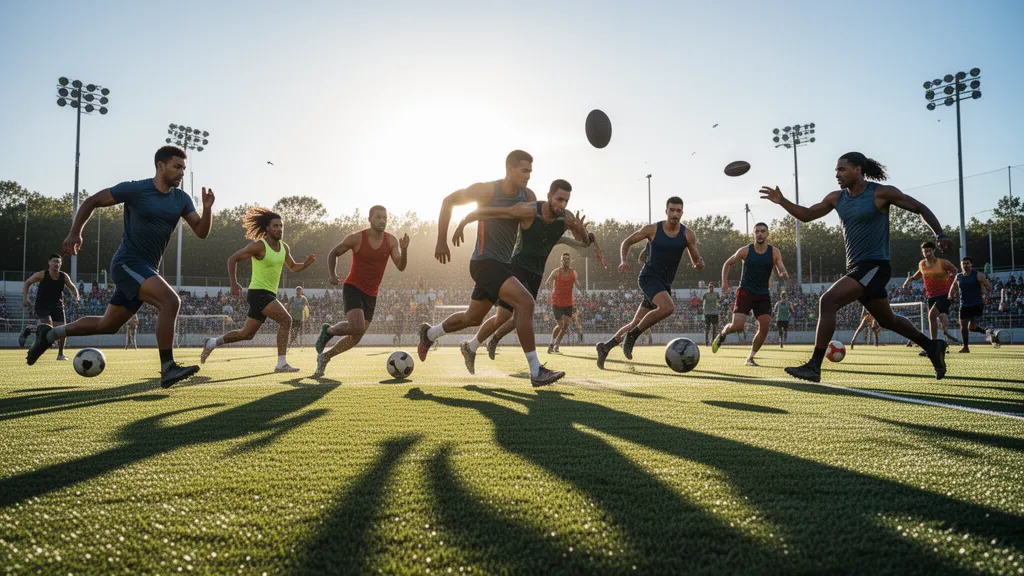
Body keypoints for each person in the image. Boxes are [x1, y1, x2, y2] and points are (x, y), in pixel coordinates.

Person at [25, 146, 215, 388]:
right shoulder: (136, 189)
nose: (181, 173)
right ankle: (168, 367)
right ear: (160, 166)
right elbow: (92, 200)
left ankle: (49, 334)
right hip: (128, 262)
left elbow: (201, 231)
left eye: (184, 169)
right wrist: (75, 233)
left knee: (109, 324)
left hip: (145, 268)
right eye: (177, 167)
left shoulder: (181, 199)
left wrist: (208, 210)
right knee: (171, 301)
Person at [760, 152, 951, 382]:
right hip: (857, 268)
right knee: (887, 320)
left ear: (858, 169)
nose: (837, 175)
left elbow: (919, 207)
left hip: (875, 266)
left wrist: (939, 233)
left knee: (827, 301)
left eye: (842, 169)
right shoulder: (836, 198)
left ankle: (814, 366)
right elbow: (808, 215)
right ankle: (932, 346)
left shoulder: (880, 193)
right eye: (836, 171)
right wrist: (782, 201)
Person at [419, 150, 564, 386]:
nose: (528, 175)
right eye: (524, 170)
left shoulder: (528, 195)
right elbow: (449, 201)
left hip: (503, 265)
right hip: (484, 262)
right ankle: (536, 371)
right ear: (509, 168)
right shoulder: (486, 190)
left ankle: (430, 334)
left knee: (473, 317)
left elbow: (538, 222)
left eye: (530, 171)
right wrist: (441, 240)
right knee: (525, 303)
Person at [449, 178, 592, 374]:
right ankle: (533, 368)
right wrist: (466, 220)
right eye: (559, 199)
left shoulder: (565, 218)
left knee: (512, 318)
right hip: (516, 267)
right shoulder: (530, 210)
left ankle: (473, 346)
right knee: (508, 314)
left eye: (566, 201)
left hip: (536, 273)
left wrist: (580, 228)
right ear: (549, 196)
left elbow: (584, 240)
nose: (562, 204)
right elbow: (498, 212)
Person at [200, 207, 315, 371]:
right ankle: (281, 363)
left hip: (268, 294)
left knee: (246, 334)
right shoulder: (259, 246)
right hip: (258, 293)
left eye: (281, 226)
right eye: (275, 226)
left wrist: (305, 265)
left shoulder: (284, 248)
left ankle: (212, 342)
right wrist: (234, 283)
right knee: (286, 320)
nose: (279, 229)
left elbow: (293, 267)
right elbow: (232, 259)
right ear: (267, 228)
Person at [597, 196, 705, 369]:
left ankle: (605, 347)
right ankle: (632, 336)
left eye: (678, 210)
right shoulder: (653, 229)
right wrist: (624, 260)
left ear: (682, 212)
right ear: (666, 211)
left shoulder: (688, 234)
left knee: (636, 322)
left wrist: (699, 264)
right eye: (672, 210)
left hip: (664, 284)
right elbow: (627, 241)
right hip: (648, 277)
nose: (675, 214)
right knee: (668, 308)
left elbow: (696, 262)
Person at [313, 205, 409, 377]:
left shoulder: (391, 241)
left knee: (356, 336)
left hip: (372, 294)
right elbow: (333, 253)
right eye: (378, 217)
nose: (382, 221)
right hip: (353, 287)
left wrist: (405, 249)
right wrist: (333, 274)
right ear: (370, 219)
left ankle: (325, 357)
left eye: (385, 218)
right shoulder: (357, 238)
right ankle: (328, 331)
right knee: (356, 327)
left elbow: (400, 266)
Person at [712, 222, 788, 366]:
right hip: (745, 293)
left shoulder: (774, 252)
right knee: (737, 327)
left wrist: (784, 274)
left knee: (764, 327)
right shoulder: (746, 250)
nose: (760, 234)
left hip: (763, 294)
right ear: (753, 234)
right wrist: (724, 282)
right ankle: (723, 334)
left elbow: (781, 269)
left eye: (763, 231)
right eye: (757, 231)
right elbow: (727, 263)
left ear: (767, 234)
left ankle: (750, 358)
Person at [903, 240, 960, 355]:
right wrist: (910, 279)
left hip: (944, 294)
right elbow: (920, 273)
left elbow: (955, 270)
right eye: (925, 250)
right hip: (931, 296)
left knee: (932, 314)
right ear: (922, 252)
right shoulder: (922, 264)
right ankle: (936, 343)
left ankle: (935, 343)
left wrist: (952, 281)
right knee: (937, 317)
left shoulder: (943, 263)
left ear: (934, 250)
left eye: (929, 250)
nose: (927, 252)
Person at [19, 253, 80, 360]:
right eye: (54, 261)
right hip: (42, 304)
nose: (56, 264)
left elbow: (72, 287)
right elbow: (27, 283)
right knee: (47, 326)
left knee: (62, 330)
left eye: (58, 262)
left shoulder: (64, 276)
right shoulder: (42, 274)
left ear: (61, 264)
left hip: (57, 305)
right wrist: (25, 298)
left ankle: (60, 354)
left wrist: (76, 295)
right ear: (49, 262)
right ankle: (30, 333)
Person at [948, 256, 993, 353]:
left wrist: (986, 295)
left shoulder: (977, 275)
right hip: (964, 305)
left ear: (971, 265)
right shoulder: (958, 276)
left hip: (977, 304)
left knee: (966, 326)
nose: (965, 265)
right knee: (969, 328)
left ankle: (965, 347)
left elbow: (988, 287)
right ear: (961, 265)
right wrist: (950, 295)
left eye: (967, 263)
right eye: (963, 263)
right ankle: (986, 332)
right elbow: (953, 286)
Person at [547, 252, 583, 353]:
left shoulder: (573, 273)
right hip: (557, 302)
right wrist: (548, 285)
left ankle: (557, 345)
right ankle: (551, 343)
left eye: (567, 259)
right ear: (561, 261)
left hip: (568, 303)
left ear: (570, 261)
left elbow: (577, 283)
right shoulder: (556, 272)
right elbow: (547, 282)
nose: (566, 261)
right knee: (560, 325)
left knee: (566, 325)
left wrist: (579, 287)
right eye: (564, 259)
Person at [701, 283, 720, 347]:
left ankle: (713, 341)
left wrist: (719, 304)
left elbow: (719, 300)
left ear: (714, 287)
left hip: (714, 312)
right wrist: (702, 308)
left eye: (712, 287)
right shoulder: (705, 294)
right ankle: (707, 342)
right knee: (707, 327)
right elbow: (701, 300)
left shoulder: (716, 294)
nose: (711, 288)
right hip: (707, 312)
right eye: (710, 287)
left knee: (714, 327)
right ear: (708, 288)